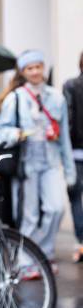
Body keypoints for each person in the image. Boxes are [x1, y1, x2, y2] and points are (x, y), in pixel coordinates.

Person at [0, 50, 76, 276]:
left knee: (56, 208)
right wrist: (18, 133)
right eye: (30, 68)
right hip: (26, 163)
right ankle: (26, 262)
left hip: (50, 160)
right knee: (28, 215)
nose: (35, 72)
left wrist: (69, 171)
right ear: (23, 71)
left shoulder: (56, 98)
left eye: (38, 66)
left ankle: (43, 253)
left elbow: (65, 138)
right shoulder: (16, 97)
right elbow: (0, 131)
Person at [63, 52, 83, 263]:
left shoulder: (70, 85)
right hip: (76, 151)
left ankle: (82, 242)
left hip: (76, 151)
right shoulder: (70, 86)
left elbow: (67, 120)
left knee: (76, 197)